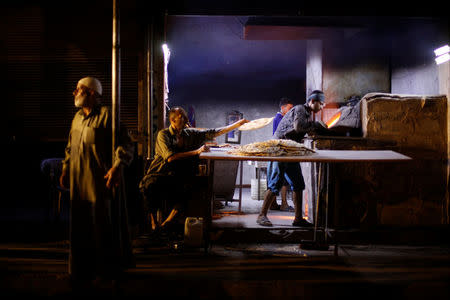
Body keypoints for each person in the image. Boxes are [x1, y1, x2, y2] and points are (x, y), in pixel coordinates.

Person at [59, 77, 135, 285]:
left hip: (98, 181)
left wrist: (117, 166)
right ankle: (80, 271)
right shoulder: (76, 118)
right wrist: (65, 168)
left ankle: (105, 272)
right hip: (77, 180)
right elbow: (70, 147)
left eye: (78, 89)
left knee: (100, 225)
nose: (74, 93)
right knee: (79, 226)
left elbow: (126, 144)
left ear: (91, 93)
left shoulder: (107, 116)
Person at [139, 106, 248, 233]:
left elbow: (213, 132)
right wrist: (197, 151)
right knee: (148, 186)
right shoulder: (163, 135)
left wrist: (237, 124)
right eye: (181, 117)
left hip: (177, 175)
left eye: (185, 117)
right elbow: (170, 157)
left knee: (189, 190)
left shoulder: (188, 133)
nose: (185, 119)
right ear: (172, 121)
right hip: (160, 172)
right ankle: (154, 223)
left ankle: (166, 224)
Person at [257, 90, 327, 227]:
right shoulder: (300, 109)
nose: (323, 106)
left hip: (290, 150)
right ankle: (261, 216)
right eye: (321, 103)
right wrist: (316, 126)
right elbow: (299, 127)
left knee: (298, 184)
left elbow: (301, 129)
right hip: (281, 149)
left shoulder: (307, 114)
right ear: (313, 101)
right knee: (275, 184)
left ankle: (298, 218)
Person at [270, 97, 294, 212]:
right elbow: (285, 133)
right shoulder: (280, 118)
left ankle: (274, 204)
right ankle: (284, 204)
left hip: (279, 150)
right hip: (280, 150)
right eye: (289, 108)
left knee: (277, 178)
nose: (291, 111)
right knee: (282, 179)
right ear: (283, 108)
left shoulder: (280, 118)